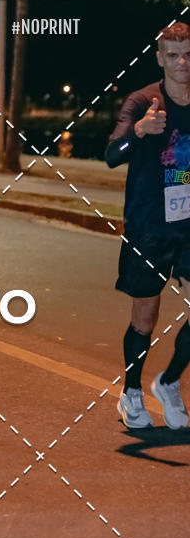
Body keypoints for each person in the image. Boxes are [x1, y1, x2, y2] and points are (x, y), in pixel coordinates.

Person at [106, 22, 190, 429]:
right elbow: (111, 153)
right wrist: (138, 132)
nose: (182, 62)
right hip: (149, 225)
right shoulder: (142, 101)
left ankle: (169, 382)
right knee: (145, 316)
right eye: (173, 55)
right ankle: (132, 391)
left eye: (188, 54)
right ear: (160, 58)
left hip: (189, 224)